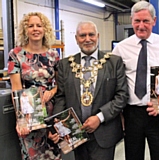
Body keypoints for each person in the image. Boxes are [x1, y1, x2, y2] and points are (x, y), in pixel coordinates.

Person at [112, 1, 159, 160]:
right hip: (131, 113)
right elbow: (114, 82)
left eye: (146, 21)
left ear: (154, 21)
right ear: (131, 20)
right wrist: (119, 114)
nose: (141, 25)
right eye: (137, 21)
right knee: (133, 156)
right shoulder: (121, 49)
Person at [51, 21, 128, 160]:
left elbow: (122, 96)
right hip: (76, 133)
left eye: (91, 34)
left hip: (104, 132)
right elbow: (61, 97)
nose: (87, 39)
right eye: (82, 35)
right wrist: (57, 125)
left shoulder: (114, 62)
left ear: (97, 36)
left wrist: (99, 118)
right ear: (76, 39)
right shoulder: (65, 65)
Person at [8, 12, 61, 160]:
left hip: (52, 115)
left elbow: (60, 85)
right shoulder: (16, 55)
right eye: (31, 26)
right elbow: (16, 89)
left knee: (54, 155)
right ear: (25, 30)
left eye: (39, 25)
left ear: (45, 29)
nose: (35, 29)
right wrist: (21, 119)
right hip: (30, 116)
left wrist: (52, 91)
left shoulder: (53, 55)